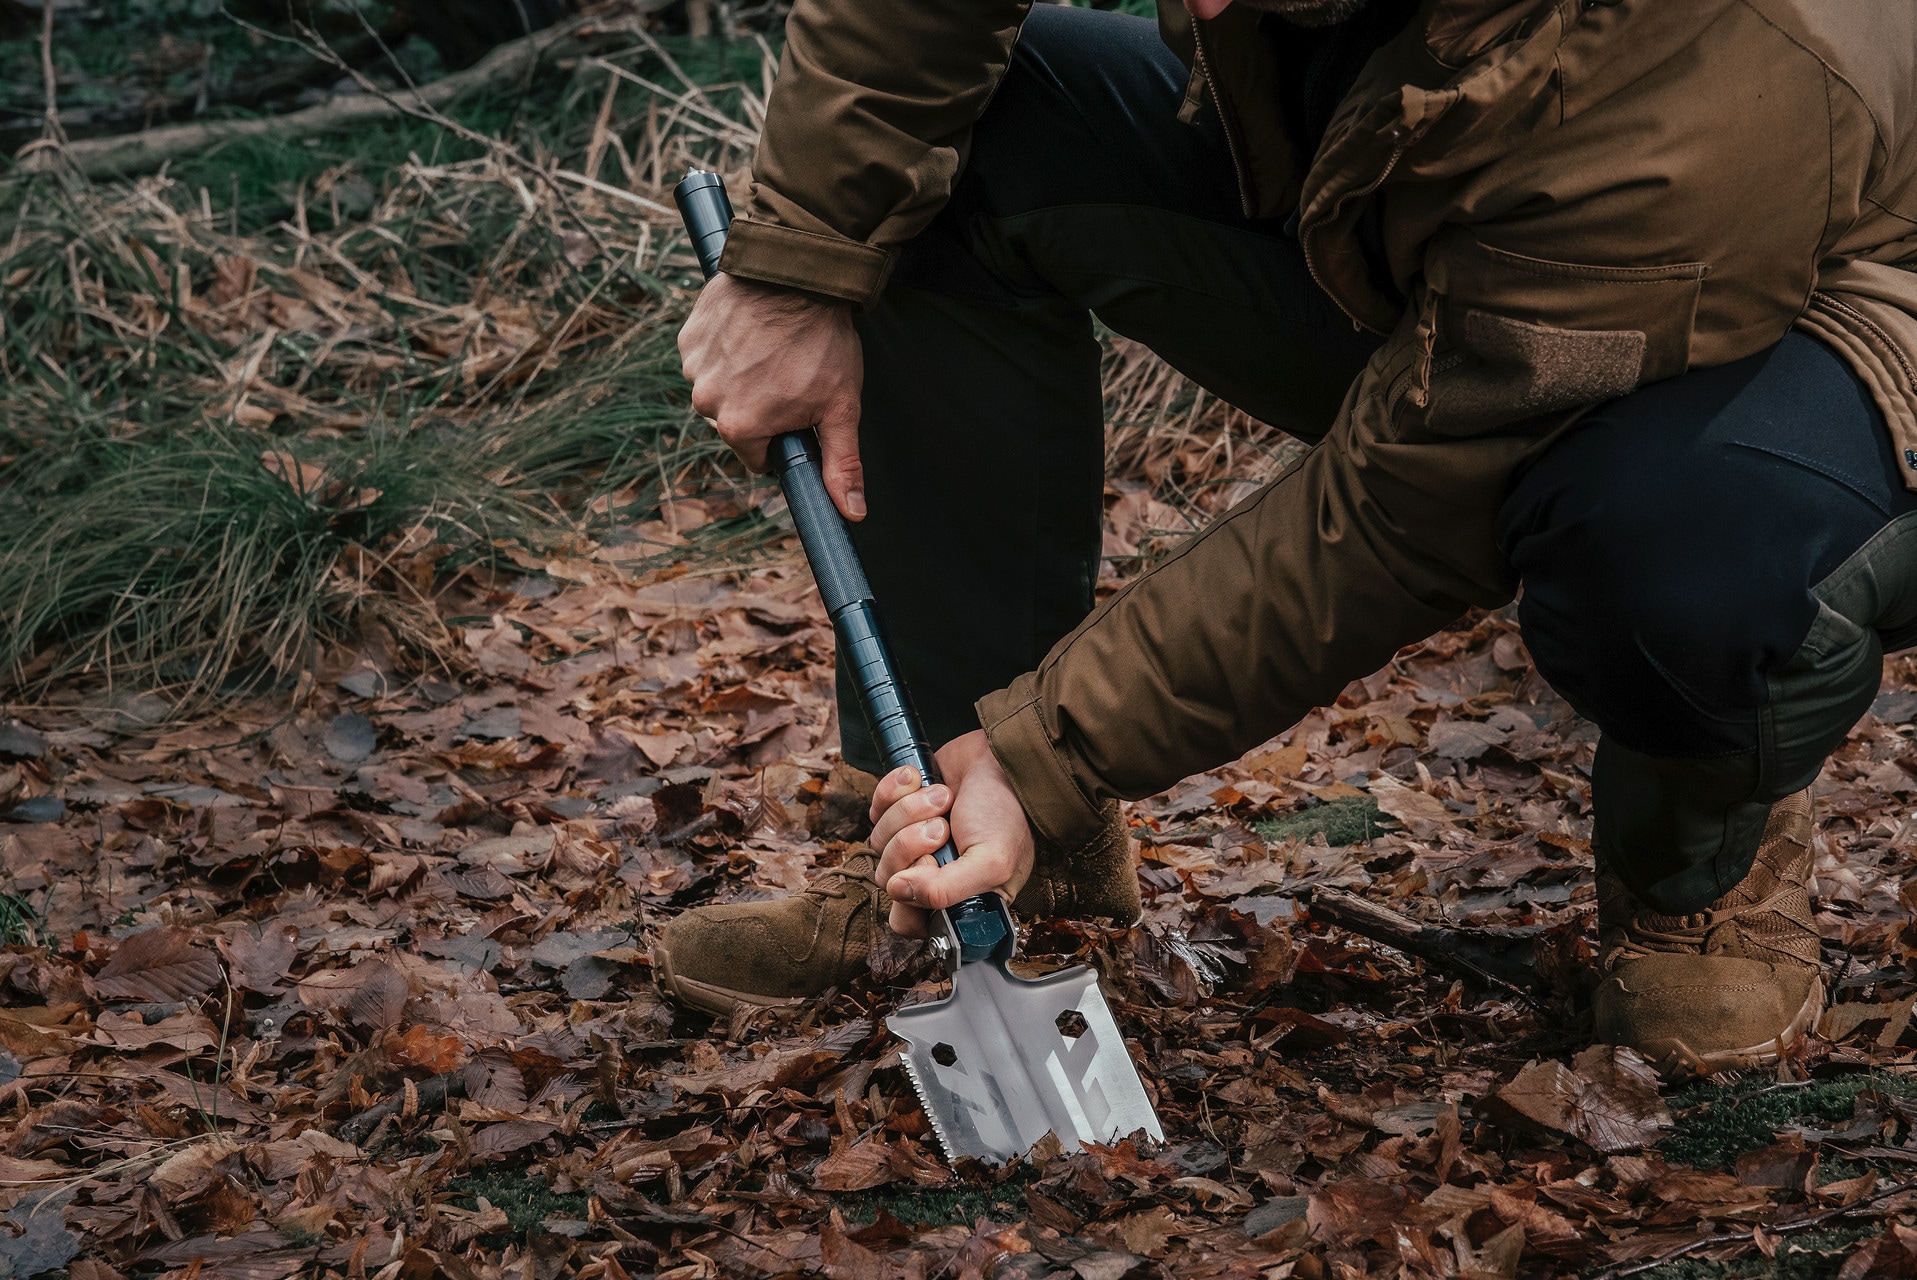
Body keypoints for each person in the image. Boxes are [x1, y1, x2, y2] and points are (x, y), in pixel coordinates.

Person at [654, 0, 1917, 1079]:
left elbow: (1400, 509)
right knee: (953, 148)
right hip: (1431, 193)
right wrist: (800, 261)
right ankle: (959, 829)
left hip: (1803, 297)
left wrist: (1048, 751)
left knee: (1678, 548)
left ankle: (1702, 863)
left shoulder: (1714, 54)